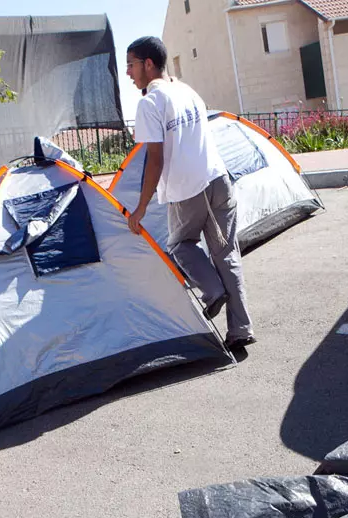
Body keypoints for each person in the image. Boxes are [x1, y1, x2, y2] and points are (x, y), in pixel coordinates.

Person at [125, 37, 255, 350]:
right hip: (218, 179)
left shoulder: (149, 102)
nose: (128, 73)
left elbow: (155, 159)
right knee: (227, 255)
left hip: (187, 189)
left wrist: (141, 208)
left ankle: (213, 292)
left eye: (130, 65)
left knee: (180, 245)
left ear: (148, 64)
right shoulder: (187, 90)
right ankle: (241, 329)